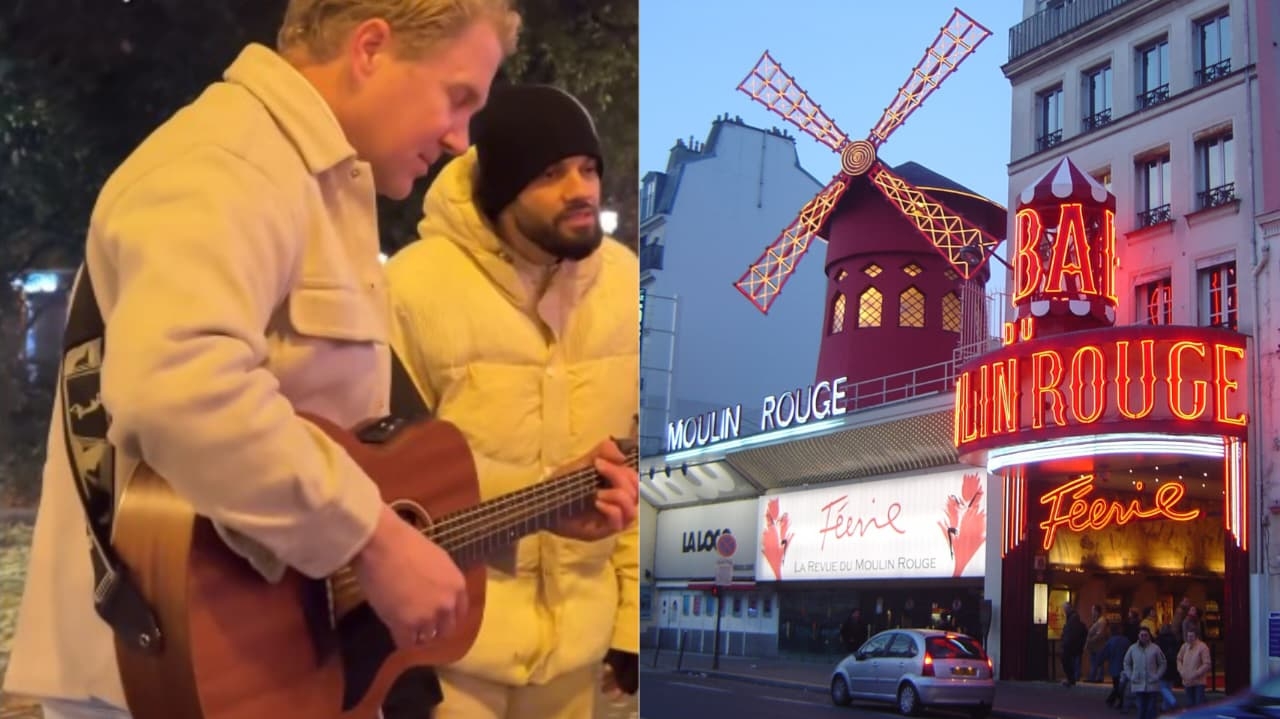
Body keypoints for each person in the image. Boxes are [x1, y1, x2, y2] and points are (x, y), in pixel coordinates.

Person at [1, 3, 558, 718]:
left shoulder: (306, 181)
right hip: (162, 677)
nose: (459, 140)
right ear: (370, 49)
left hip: (257, 669)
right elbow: (179, 388)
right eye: (458, 99)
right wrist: (370, 538)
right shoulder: (227, 162)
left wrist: (532, 504)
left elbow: (343, 443)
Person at [384, 83, 639, 718]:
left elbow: (639, 464)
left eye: (587, 169)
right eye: (551, 174)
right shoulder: (413, 288)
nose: (580, 190)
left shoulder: (626, 283)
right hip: (454, 649)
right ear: (501, 191)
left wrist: (632, 624)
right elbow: (377, 478)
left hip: (577, 652)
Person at [1123, 627, 1167, 719]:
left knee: (1151, 709)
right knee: (1141, 708)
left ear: (1149, 636)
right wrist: (1130, 675)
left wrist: (1157, 675)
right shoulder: (1132, 648)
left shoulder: (1155, 648)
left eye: (1146, 635)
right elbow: (1126, 663)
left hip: (1152, 683)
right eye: (1142, 635)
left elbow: (1162, 663)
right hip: (1138, 683)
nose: (1144, 637)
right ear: (1138, 636)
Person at [1177, 627, 1211, 707]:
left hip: (1198, 682)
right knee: (1190, 704)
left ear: (1196, 636)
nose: (1189, 639)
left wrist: (1196, 673)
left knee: (1198, 704)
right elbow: (1179, 659)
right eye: (1188, 636)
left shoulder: (1202, 647)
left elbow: (1207, 664)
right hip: (1187, 681)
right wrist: (1181, 671)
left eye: (1191, 636)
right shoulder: (1184, 646)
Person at [1060, 602, 1087, 687]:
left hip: (1071, 645)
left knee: (1068, 661)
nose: (1064, 611)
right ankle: (1072, 679)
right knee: (1069, 662)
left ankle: (1072, 679)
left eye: (1065, 609)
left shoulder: (1073, 619)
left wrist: (1066, 642)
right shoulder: (1072, 618)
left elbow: (1071, 633)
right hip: (1072, 645)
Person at [1086, 604, 1110, 683]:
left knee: (1098, 662)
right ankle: (1093, 676)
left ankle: (1097, 677)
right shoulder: (1097, 620)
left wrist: (1091, 640)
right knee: (1095, 662)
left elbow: (1100, 634)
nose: (1091, 612)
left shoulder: (1101, 621)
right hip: (1094, 646)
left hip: (1098, 646)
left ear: (1096, 611)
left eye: (1093, 610)